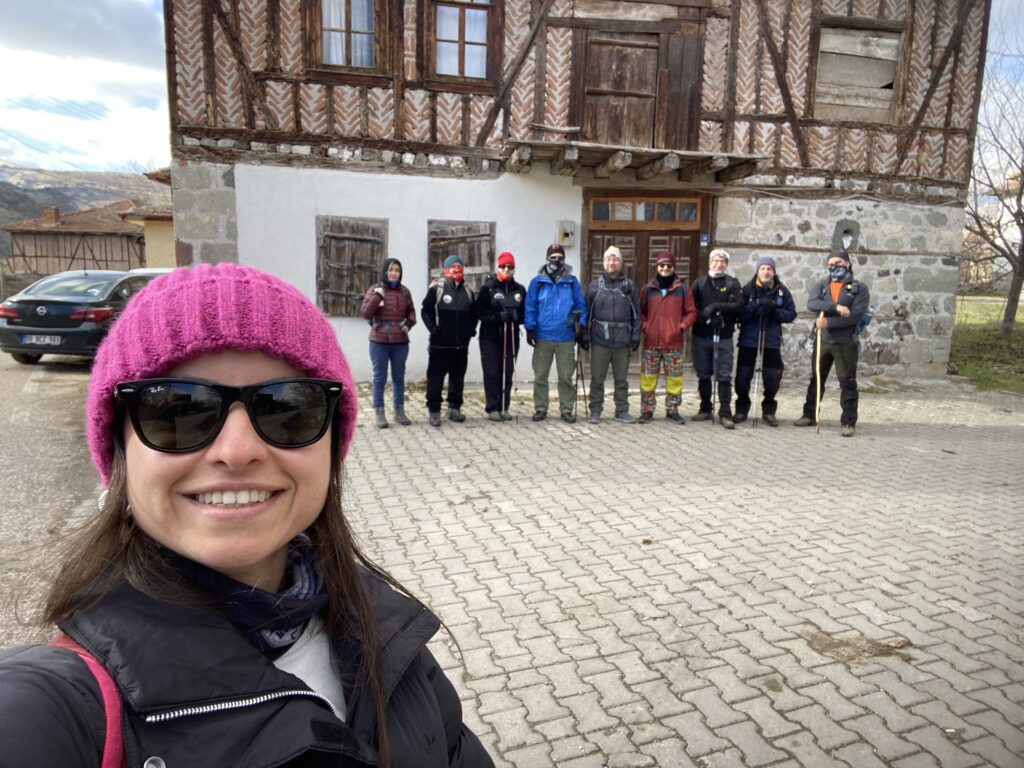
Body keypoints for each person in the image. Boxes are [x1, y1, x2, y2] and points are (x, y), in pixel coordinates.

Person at [0, 263, 494, 767]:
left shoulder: (386, 636)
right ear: (120, 447)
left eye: (286, 408)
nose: (237, 452)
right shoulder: (59, 708)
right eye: (178, 411)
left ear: (330, 444)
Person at [795, 249, 871, 436]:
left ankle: (848, 422)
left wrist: (828, 322)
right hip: (823, 340)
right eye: (830, 264)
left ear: (847, 264)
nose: (834, 267)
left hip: (845, 343)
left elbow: (855, 316)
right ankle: (809, 414)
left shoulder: (859, 288)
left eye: (838, 263)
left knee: (847, 383)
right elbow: (812, 303)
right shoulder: (823, 285)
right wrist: (835, 307)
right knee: (816, 379)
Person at [523, 243, 587, 423]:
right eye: (553, 257)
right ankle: (540, 408)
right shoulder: (537, 282)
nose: (556, 260)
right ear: (547, 258)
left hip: (565, 337)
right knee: (540, 376)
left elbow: (580, 306)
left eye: (560, 257)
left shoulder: (572, 282)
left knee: (566, 376)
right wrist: (530, 328)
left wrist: (581, 327)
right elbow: (530, 306)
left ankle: (566, 409)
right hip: (542, 336)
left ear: (564, 259)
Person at [734, 255, 797, 426]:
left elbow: (791, 314)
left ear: (774, 272)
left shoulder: (781, 291)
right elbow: (739, 314)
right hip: (749, 340)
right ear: (757, 270)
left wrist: (774, 311)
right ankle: (741, 409)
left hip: (771, 340)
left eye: (769, 269)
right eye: (762, 268)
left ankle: (769, 410)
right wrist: (754, 306)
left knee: (772, 379)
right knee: (742, 378)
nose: (766, 272)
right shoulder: (747, 290)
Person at [637, 251, 696, 424]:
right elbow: (640, 312)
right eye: (662, 265)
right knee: (647, 379)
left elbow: (691, 312)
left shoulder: (682, 289)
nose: (665, 268)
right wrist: (646, 326)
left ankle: (672, 410)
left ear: (673, 267)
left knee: (674, 379)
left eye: (669, 265)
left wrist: (681, 327)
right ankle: (647, 410)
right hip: (652, 343)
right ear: (657, 267)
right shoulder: (647, 289)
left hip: (673, 343)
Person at [584, 245, 641, 424]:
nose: (611, 262)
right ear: (603, 262)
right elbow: (586, 312)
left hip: (622, 340)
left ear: (620, 263)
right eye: (608, 259)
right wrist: (584, 334)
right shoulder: (595, 286)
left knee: (621, 379)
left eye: (615, 259)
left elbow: (637, 313)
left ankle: (622, 410)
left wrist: (636, 335)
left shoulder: (629, 286)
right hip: (600, 339)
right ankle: (595, 410)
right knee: (597, 378)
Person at [690, 248, 743, 429]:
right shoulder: (699, 283)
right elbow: (691, 307)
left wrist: (717, 307)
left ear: (726, 264)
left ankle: (725, 412)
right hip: (702, 335)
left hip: (724, 335)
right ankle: (705, 408)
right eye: (715, 261)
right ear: (709, 263)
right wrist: (705, 318)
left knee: (724, 375)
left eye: (722, 261)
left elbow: (738, 305)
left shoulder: (732, 283)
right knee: (703, 373)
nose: (718, 264)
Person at [421, 255, 477, 427]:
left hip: (461, 345)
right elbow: (426, 311)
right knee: (436, 378)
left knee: (457, 378)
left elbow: (473, 315)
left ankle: (454, 408)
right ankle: (434, 410)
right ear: (446, 269)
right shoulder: (436, 289)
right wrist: (434, 330)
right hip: (440, 345)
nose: (457, 268)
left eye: (460, 266)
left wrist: (470, 331)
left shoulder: (468, 291)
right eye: (453, 265)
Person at [361, 258, 416, 428]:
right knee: (379, 378)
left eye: (397, 270)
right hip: (379, 341)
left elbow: (411, 312)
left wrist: (409, 323)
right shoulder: (375, 289)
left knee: (398, 378)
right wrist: (377, 297)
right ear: (385, 272)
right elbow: (366, 313)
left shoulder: (405, 292)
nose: (394, 273)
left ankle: (399, 411)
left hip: (400, 342)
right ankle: (379, 412)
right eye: (391, 270)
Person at [475, 251, 526, 421]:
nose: (506, 269)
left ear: (514, 269)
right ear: (498, 267)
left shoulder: (519, 289)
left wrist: (517, 317)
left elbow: (525, 313)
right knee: (492, 372)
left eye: (510, 267)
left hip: (510, 336)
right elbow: (479, 312)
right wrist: (497, 317)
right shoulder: (488, 288)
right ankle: (493, 407)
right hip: (490, 337)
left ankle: (505, 406)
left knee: (507, 371)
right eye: (503, 266)